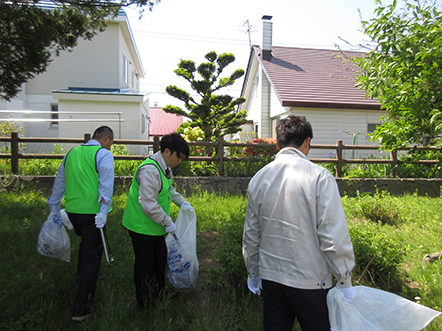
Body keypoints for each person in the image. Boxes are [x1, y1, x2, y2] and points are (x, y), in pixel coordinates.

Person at [242, 116, 356, 331]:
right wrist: (344, 278)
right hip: (311, 280)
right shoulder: (319, 177)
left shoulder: (259, 178)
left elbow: (251, 233)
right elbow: (332, 234)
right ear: (307, 142)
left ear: (277, 144)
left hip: (271, 278)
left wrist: (254, 272)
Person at [47, 126, 115, 322]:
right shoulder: (103, 154)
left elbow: (60, 180)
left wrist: (53, 206)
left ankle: (80, 280)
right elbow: (106, 184)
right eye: (111, 142)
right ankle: (81, 308)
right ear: (106, 138)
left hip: (73, 212)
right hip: (92, 214)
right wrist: (104, 211)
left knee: (86, 247)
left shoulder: (72, 153)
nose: (111, 146)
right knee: (92, 257)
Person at [122, 132, 193, 309]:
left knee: (159, 261)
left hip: (155, 226)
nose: (180, 161)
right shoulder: (150, 170)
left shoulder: (166, 169)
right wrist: (167, 221)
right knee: (145, 265)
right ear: (167, 152)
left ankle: (159, 294)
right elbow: (148, 203)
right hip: (141, 227)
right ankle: (144, 304)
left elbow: (169, 190)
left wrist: (182, 202)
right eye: (179, 156)